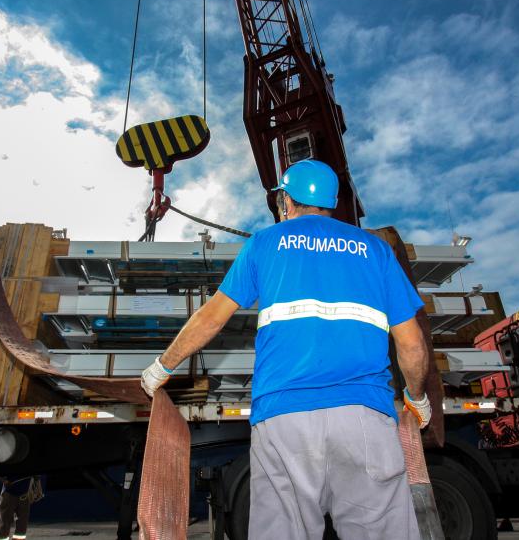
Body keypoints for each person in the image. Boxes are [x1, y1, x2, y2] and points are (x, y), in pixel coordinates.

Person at [141, 159, 432, 539]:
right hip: (364, 416)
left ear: (285, 200)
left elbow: (211, 318)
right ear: (331, 203)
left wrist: (162, 367)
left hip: (283, 418)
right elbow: (412, 343)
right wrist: (417, 398)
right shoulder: (375, 250)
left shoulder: (264, 244)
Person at [0, 475, 33, 540]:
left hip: (24, 493)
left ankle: (17, 538)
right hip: (10, 492)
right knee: (5, 519)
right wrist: (4, 481)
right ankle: (3, 537)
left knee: (22, 522)